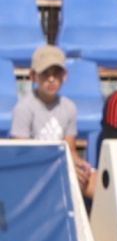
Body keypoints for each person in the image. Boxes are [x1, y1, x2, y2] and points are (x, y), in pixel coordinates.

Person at [11, 46, 97, 198]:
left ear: (64, 76)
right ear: (33, 76)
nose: (51, 79)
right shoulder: (23, 108)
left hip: (59, 165)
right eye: (45, 74)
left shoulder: (69, 107)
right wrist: (64, 167)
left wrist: (79, 165)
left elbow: (70, 149)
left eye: (56, 74)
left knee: (96, 182)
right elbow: (22, 155)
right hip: (34, 170)